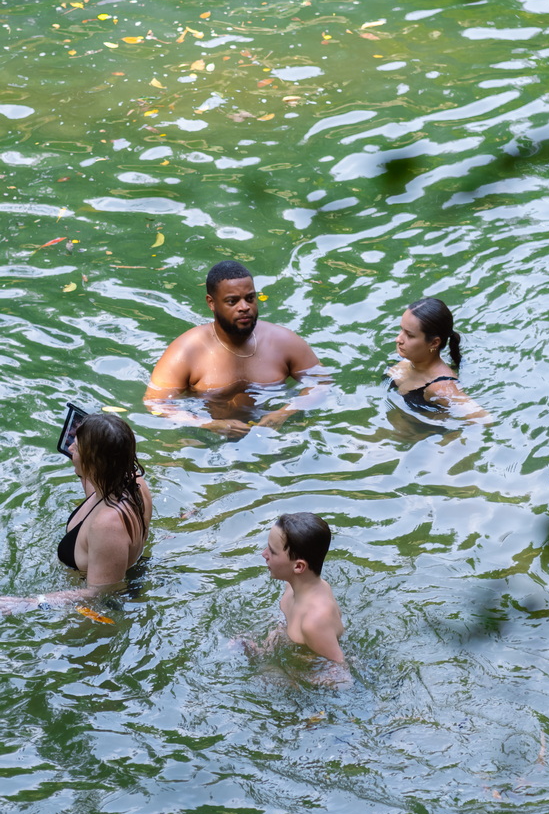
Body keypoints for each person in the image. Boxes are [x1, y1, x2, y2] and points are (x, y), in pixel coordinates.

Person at [144, 260, 322, 437]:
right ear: (211, 303)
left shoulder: (284, 341)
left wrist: (283, 413)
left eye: (250, 298)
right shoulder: (187, 351)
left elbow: (321, 383)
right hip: (208, 438)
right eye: (232, 301)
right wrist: (209, 424)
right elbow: (155, 403)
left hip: (272, 433)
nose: (244, 307)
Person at [0, 413, 152, 614]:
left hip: (101, 611)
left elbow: (100, 593)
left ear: (95, 462)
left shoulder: (108, 524)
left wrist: (30, 603)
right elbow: (95, 487)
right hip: (133, 566)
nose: (70, 447)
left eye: (77, 447)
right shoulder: (133, 481)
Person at [262, 512, 345, 664]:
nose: (264, 554)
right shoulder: (291, 587)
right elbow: (285, 622)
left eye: (272, 552)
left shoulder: (314, 621)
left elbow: (342, 677)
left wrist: (290, 678)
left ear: (299, 566)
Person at [388, 296, 489, 420]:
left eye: (409, 335)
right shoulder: (407, 361)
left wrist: (449, 438)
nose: (398, 339)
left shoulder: (440, 387)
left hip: (415, 437)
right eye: (401, 329)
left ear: (434, 343)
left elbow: (484, 419)